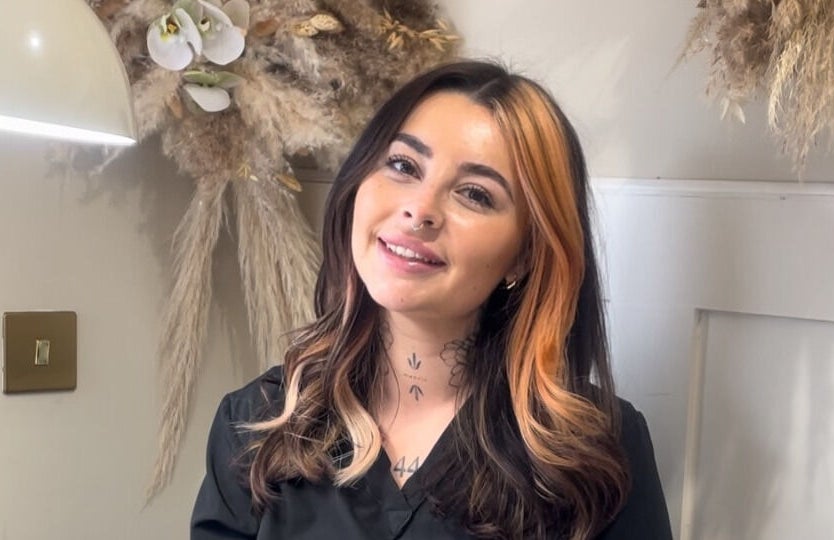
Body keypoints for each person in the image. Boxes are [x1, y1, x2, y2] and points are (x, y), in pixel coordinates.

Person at [190, 60, 672, 539]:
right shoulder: (254, 423)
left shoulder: (598, 453)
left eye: (475, 194)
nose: (419, 210)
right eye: (403, 165)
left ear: (524, 255)